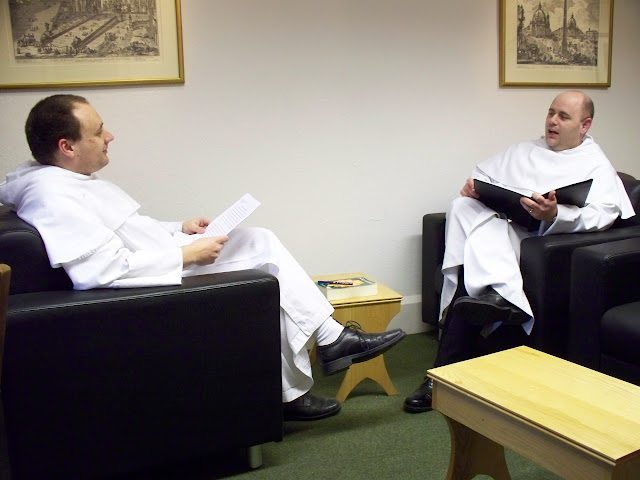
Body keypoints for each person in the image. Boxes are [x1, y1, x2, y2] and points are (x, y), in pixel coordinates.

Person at [0, 94, 407, 422]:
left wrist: (180, 228)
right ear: (67, 146)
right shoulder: (53, 196)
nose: (110, 136)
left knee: (262, 248)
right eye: (98, 131)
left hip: (161, 257)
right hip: (148, 285)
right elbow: (98, 270)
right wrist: (185, 255)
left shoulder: (59, 179)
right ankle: (329, 343)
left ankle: (305, 374)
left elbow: (125, 231)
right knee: (265, 253)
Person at [404, 91, 635, 413]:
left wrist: (554, 214)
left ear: (584, 125)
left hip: (539, 243)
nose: (553, 121)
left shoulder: (595, 163)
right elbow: (483, 178)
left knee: (471, 272)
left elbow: (604, 214)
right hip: (503, 234)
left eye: (563, 116)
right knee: (462, 206)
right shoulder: (525, 150)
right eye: (551, 112)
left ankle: (440, 378)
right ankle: (501, 295)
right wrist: (474, 188)